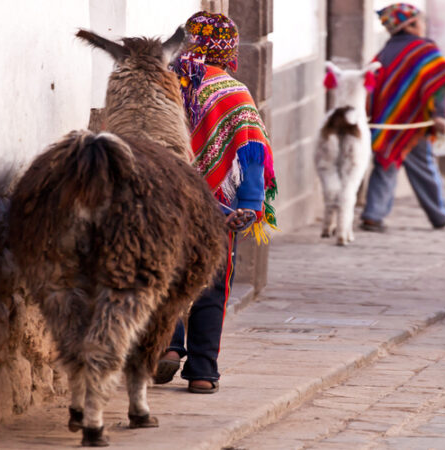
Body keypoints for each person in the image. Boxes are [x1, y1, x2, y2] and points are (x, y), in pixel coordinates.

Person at [153, 11, 277, 394]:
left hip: (167, 196)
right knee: (213, 284)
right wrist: (251, 205)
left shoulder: (165, 83)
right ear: (228, 50)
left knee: (166, 274)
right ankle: (203, 371)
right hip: (218, 208)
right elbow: (251, 150)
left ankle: (169, 346)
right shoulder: (233, 92)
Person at [360, 3, 445, 232]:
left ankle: (373, 214)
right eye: (421, 21)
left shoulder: (384, 52)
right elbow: (439, 84)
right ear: (410, 25)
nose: (424, 26)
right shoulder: (424, 50)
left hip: (386, 122)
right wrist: (439, 115)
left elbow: (373, 88)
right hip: (413, 122)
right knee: (424, 167)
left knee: (385, 163)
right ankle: (441, 214)